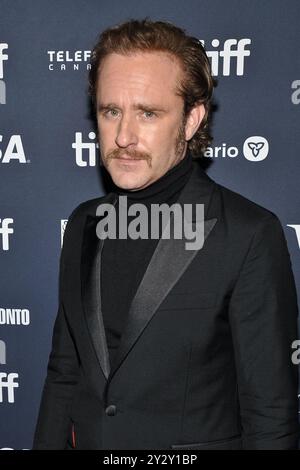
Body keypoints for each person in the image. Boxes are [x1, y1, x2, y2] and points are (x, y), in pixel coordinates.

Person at [33, 19, 299, 450]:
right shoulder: (84, 223)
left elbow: (269, 412)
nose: (123, 136)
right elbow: (65, 373)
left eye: (148, 113)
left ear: (191, 119)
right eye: (111, 111)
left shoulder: (249, 234)